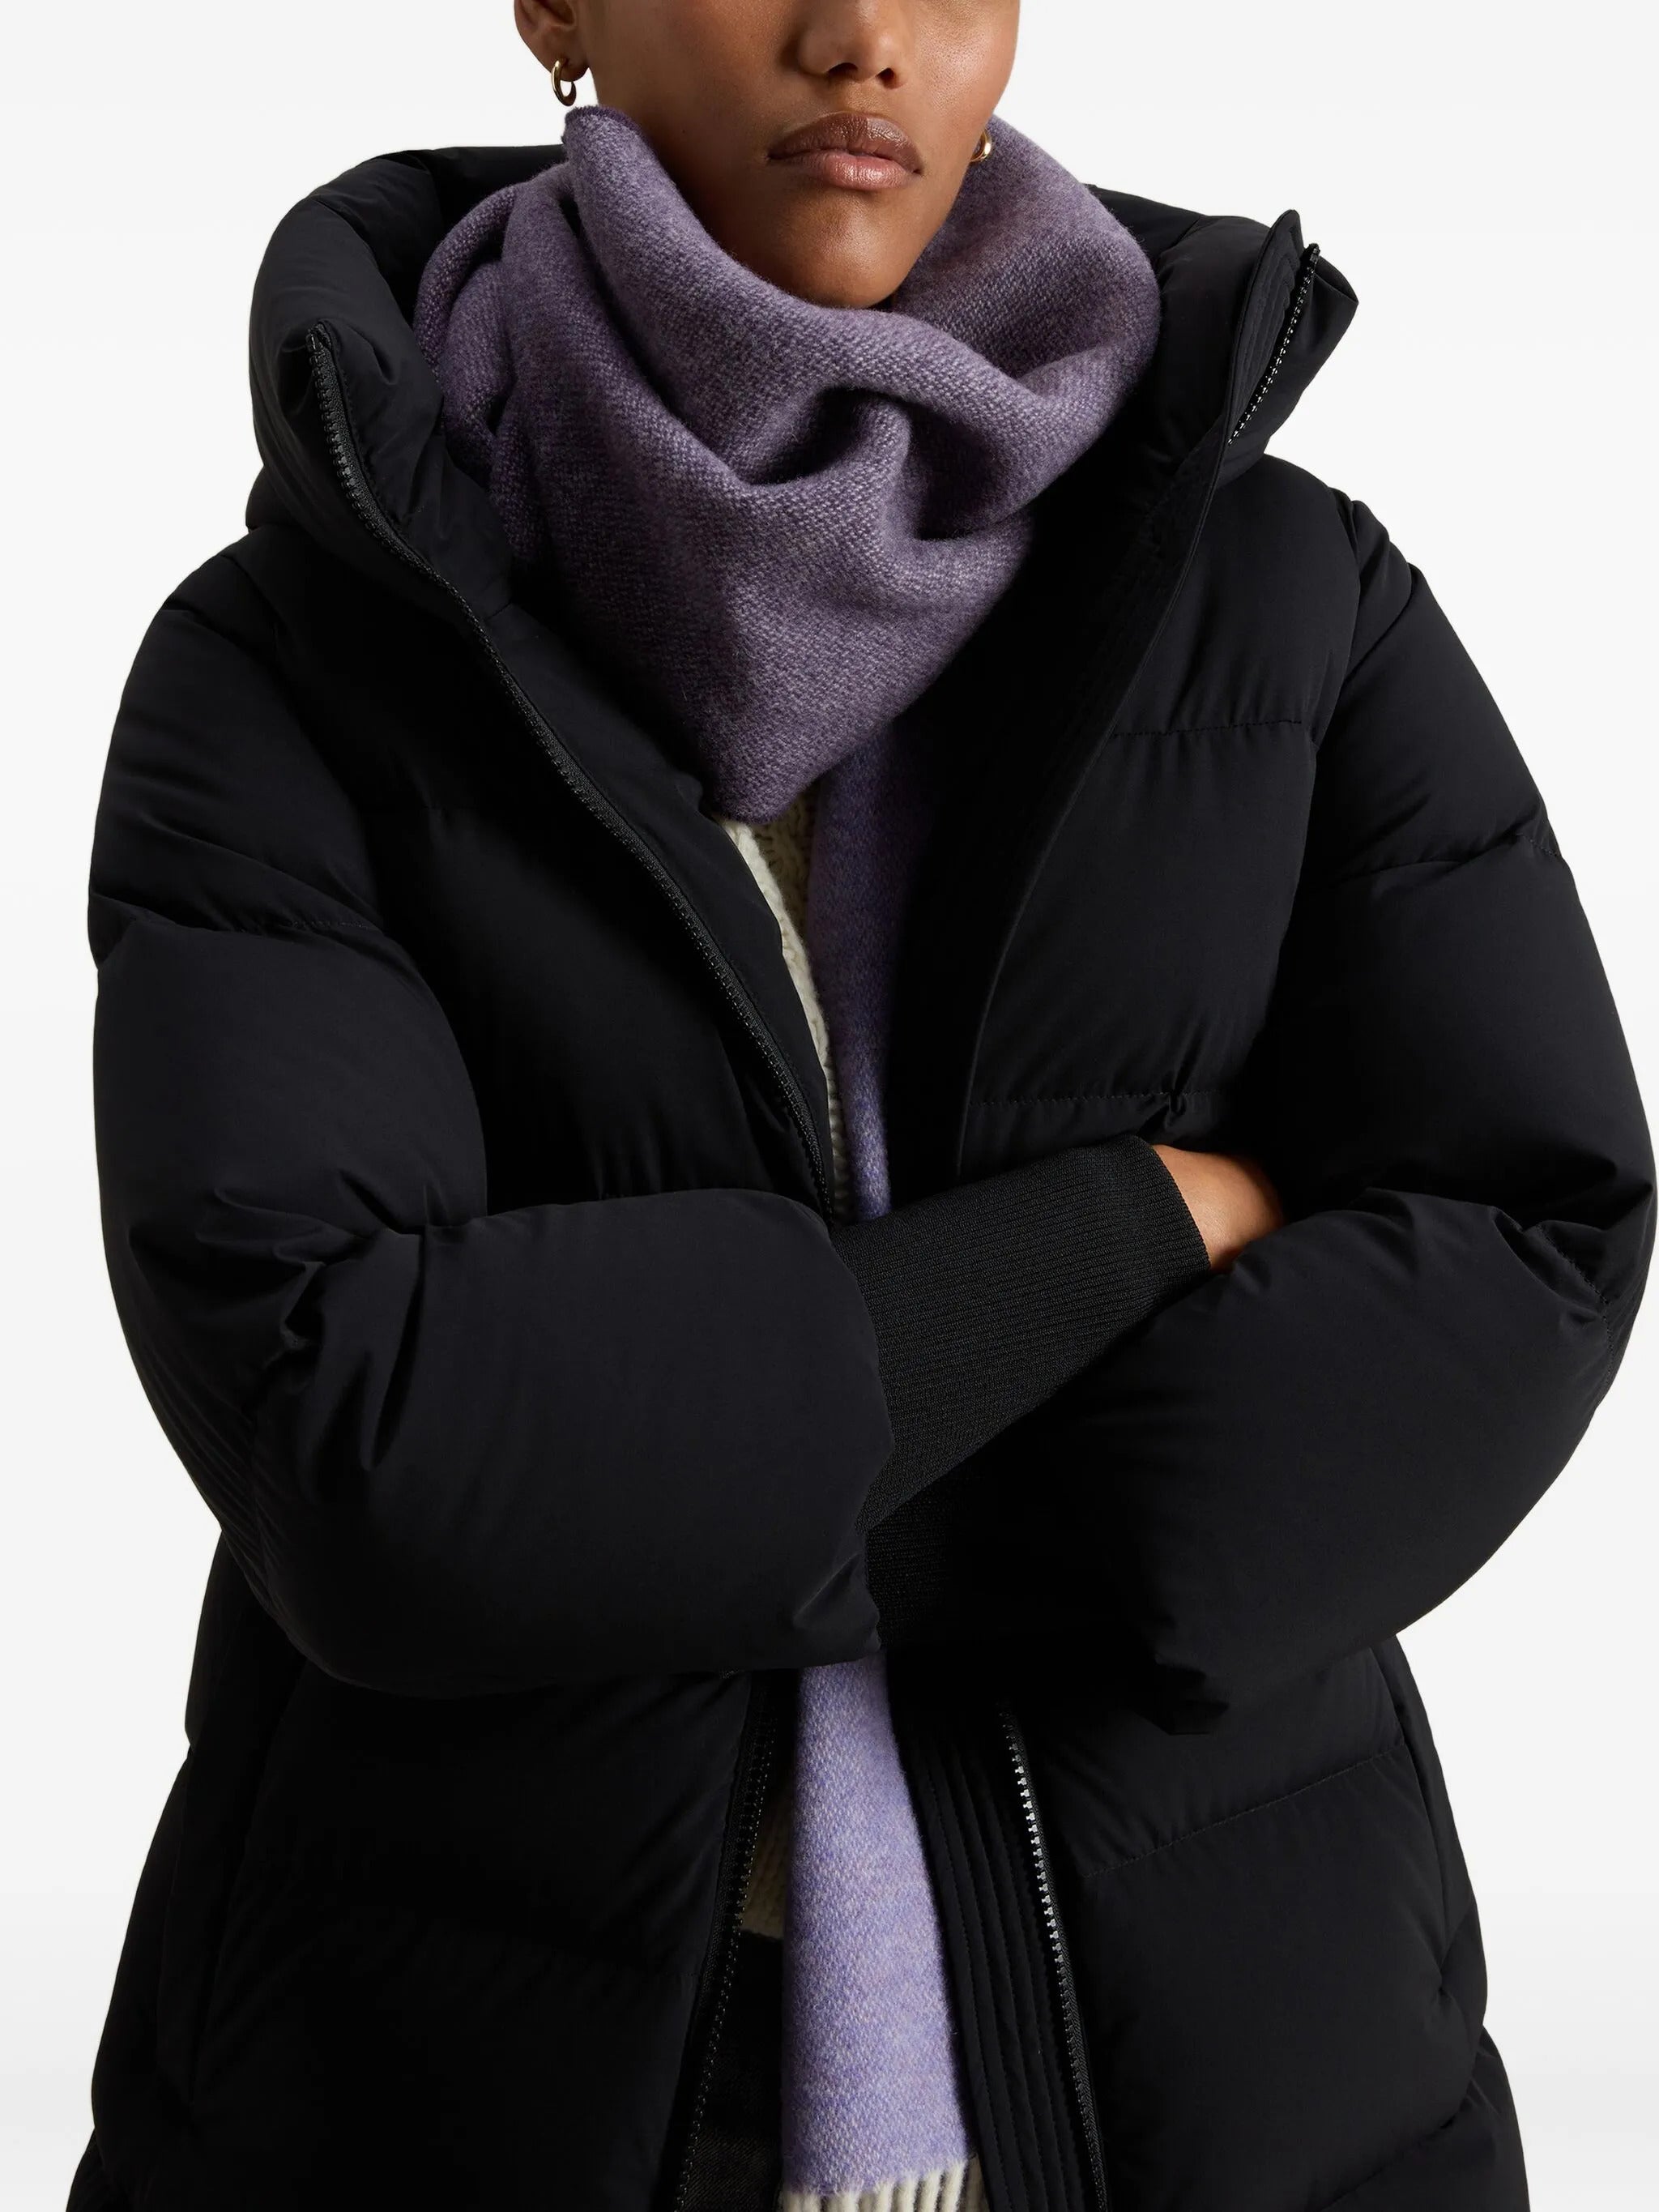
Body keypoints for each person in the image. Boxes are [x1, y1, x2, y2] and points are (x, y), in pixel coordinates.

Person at [70, 1, 1653, 2208]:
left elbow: (1527, 1227)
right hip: (431, 2082)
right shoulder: (291, 666)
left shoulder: (1290, 598)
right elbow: (355, 1441)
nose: (864, 34)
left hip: (1232, 2075)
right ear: (557, 6)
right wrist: (1113, 1235)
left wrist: (699, 1487)